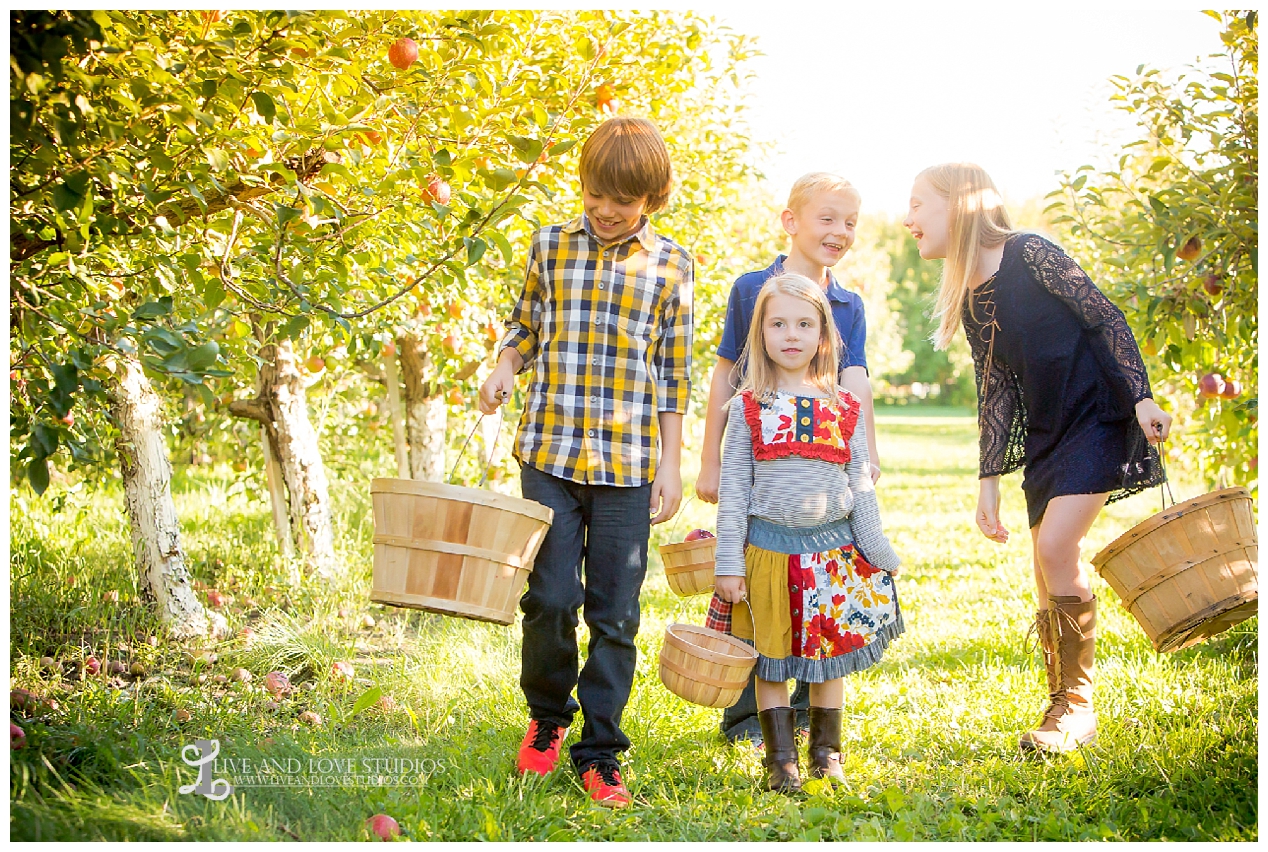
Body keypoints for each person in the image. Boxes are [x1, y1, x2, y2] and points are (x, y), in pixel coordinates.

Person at [902, 162, 1172, 754]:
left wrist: (1142, 396)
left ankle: (1077, 707)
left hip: (1098, 416)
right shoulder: (973, 299)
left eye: (918, 204)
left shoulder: (1031, 253)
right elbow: (994, 389)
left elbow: (1105, 317)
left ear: (959, 204)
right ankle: (1063, 708)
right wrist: (989, 482)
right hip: (1047, 437)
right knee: (1042, 570)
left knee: (1056, 548)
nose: (909, 218)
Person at [478, 116, 693, 808]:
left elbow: (673, 370)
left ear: (651, 200)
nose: (605, 212)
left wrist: (671, 464)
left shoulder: (673, 265)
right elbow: (524, 327)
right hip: (550, 450)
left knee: (615, 612)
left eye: (622, 203)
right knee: (549, 599)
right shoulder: (549, 246)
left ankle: (600, 751)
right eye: (595, 196)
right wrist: (505, 365)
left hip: (629, 464)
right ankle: (546, 721)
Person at [697, 172, 881, 747]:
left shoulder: (847, 304)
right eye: (827, 218)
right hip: (758, 457)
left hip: (819, 463)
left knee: (816, 581)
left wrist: (867, 451)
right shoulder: (753, 288)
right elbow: (726, 371)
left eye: (850, 222)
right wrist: (709, 461)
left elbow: (854, 381)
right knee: (761, 584)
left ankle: (805, 718)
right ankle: (748, 718)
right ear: (792, 221)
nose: (839, 232)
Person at [713, 272, 902, 793]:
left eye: (803, 324)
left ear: (823, 334)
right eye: (778, 324)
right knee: (772, 659)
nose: (790, 335)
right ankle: (781, 761)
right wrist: (728, 563)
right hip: (768, 553)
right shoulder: (748, 407)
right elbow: (734, 494)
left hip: (832, 555)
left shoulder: (843, 406)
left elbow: (859, 483)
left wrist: (874, 543)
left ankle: (826, 752)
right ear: (761, 332)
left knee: (827, 658)